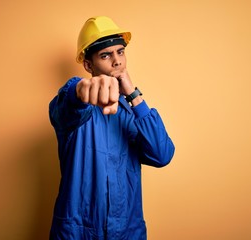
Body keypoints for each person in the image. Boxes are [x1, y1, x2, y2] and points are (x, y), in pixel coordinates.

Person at [49, 16, 175, 240]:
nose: (117, 61)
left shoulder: (132, 114)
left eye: (120, 52)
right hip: (78, 232)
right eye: (105, 55)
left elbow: (162, 155)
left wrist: (134, 96)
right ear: (89, 65)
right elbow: (66, 106)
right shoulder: (77, 110)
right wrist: (79, 89)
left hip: (127, 231)